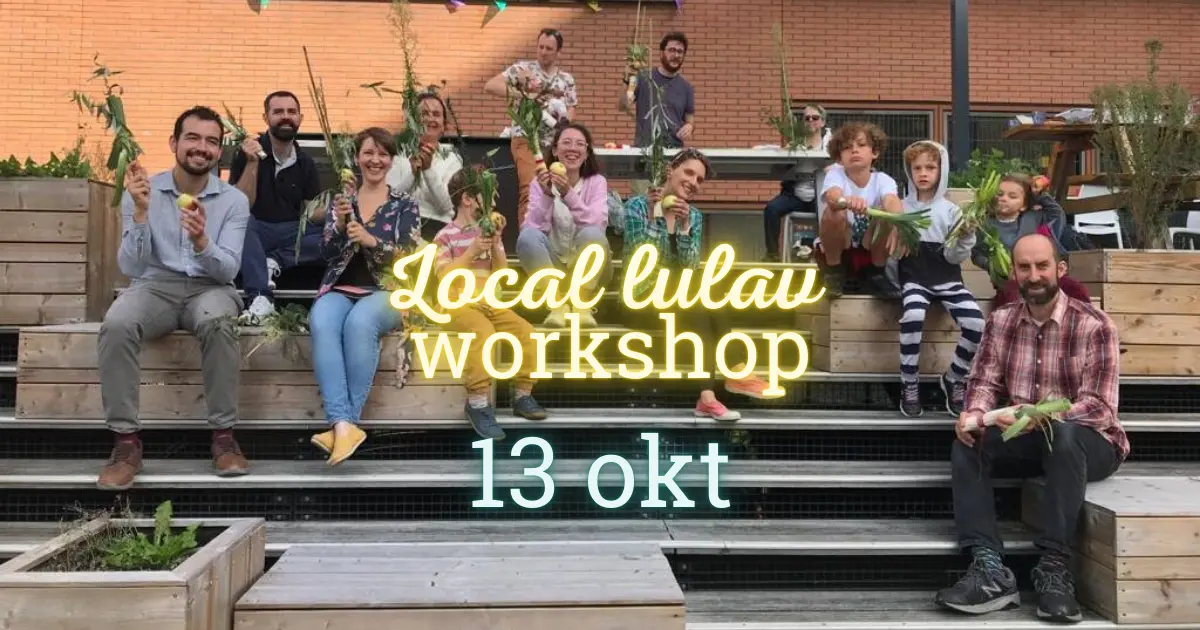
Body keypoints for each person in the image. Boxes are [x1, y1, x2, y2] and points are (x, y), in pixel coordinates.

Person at [936, 233, 1127, 625]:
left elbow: (1100, 408)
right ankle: (989, 569)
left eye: (1042, 266)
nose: (1034, 275)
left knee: (1067, 436)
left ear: (1060, 269)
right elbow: (985, 383)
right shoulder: (1001, 321)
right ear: (1015, 274)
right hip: (1026, 436)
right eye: (1024, 267)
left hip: (1090, 441)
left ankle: (1054, 569)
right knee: (968, 442)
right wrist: (974, 414)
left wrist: (1038, 416)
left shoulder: (1095, 325)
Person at [97, 106, 251, 490]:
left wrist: (202, 242)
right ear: (174, 143)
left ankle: (223, 436)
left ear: (219, 152)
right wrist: (140, 215)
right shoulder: (144, 191)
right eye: (193, 138)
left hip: (210, 288)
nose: (202, 148)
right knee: (116, 324)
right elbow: (131, 265)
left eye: (212, 142)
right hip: (155, 286)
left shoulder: (233, 201)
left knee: (218, 321)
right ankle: (126, 443)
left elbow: (228, 270)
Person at [622, 149, 777, 421]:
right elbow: (641, 259)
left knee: (701, 295)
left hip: (681, 303)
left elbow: (689, 265)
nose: (694, 182)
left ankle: (709, 395)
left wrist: (682, 227)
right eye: (689, 173)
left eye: (700, 179)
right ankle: (736, 370)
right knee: (699, 296)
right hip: (641, 299)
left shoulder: (693, 216)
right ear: (671, 170)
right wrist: (655, 214)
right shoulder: (637, 205)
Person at [307, 128, 421, 466]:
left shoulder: (405, 205)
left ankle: (343, 423)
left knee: (360, 323)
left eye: (383, 154)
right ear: (357, 158)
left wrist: (372, 242)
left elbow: (410, 256)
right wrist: (340, 228)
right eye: (369, 153)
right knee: (321, 320)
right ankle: (344, 426)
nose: (375, 160)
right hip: (340, 287)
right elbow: (325, 252)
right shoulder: (342, 202)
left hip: (388, 290)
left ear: (391, 160)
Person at [436, 167, 548, 440]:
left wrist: (496, 244)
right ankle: (477, 402)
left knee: (527, 333)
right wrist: (473, 250)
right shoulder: (445, 236)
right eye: (488, 198)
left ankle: (522, 395)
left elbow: (499, 273)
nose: (494, 204)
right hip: (456, 304)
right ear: (467, 199)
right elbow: (444, 275)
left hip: (487, 303)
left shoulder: (485, 233)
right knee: (484, 334)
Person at [895, 141, 985, 418]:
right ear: (909, 171)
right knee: (912, 315)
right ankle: (909, 382)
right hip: (914, 278)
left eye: (930, 167)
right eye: (917, 168)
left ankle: (954, 377)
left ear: (941, 170)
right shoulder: (900, 207)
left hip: (947, 278)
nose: (923, 173)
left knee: (976, 322)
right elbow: (894, 250)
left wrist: (966, 235)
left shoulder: (951, 210)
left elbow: (954, 257)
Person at [229, 90, 323, 324]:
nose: (285, 117)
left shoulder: (305, 162)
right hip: (255, 232)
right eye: (278, 111)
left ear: (300, 118)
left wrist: (339, 208)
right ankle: (261, 296)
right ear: (266, 117)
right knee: (241, 221)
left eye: (291, 112)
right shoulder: (247, 152)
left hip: (290, 235)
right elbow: (241, 205)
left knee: (339, 233)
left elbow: (312, 212)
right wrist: (252, 163)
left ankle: (276, 261)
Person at [517, 122, 612, 328]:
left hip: (592, 269)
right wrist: (547, 194)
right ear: (555, 151)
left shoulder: (596, 182)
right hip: (554, 266)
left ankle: (582, 304)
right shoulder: (538, 184)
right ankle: (556, 305)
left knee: (592, 235)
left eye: (580, 144)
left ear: (586, 153)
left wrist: (568, 194)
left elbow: (597, 225)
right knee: (527, 237)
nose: (573, 149)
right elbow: (531, 228)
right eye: (566, 143)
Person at [484, 27, 578, 226]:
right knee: (530, 186)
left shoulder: (567, 79)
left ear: (558, 52)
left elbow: (571, 109)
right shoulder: (522, 69)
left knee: (556, 188)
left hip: (554, 142)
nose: (543, 51)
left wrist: (565, 126)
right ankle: (528, 239)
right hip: (526, 137)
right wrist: (523, 95)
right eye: (540, 47)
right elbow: (491, 86)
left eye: (549, 48)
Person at [816, 122, 905, 298]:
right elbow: (832, 196)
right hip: (842, 245)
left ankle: (877, 274)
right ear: (840, 158)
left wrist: (897, 220)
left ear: (875, 152)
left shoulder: (883, 180)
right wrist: (846, 201)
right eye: (847, 147)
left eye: (861, 145)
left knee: (886, 215)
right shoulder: (835, 175)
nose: (854, 150)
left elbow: (892, 201)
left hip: (869, 246)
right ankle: (834, 273)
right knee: (834, 211)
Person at [974, 173, 1090, 308]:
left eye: (1012, 196)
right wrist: (994, 266)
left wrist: (1038, 194)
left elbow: (1056, 213)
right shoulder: (985, 225)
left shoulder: (1032, 218)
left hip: (1043, 278)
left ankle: (1087, 321)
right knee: (1011, 298)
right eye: (999, 194)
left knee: (1075, 288)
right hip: (1010, 281)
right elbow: (976, 254)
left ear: (1023, 205)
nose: (1003, 199)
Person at [386, 91, 464, 243]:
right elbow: (390, 202)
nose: (430, 118)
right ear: (412, 121)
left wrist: (428, 170)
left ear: (444, 125)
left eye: (436, 114)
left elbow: (446, 207)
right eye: (424, 113)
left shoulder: (452, 159)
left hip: (438, 230)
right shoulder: (397, 155)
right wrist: (412, 174)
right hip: (400, 226)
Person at [762, 104, 831, 261]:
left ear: (822, 122)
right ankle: (772, 254)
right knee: (771, 209)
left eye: (815, 118)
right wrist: (784, 156)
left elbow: (842, 165)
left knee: (836, 214)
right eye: (806, 118)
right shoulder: (795, 145)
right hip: (795, 196)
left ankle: (830, 255)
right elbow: (778, 169)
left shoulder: (831, 145)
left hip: (820, 198)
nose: (811, 121)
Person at [620, 31, 695, 150]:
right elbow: (624, 105)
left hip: (673, 151)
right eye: (671, 50)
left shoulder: (686, 87)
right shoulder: (642, 78)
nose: (676, 55)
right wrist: (627, 80)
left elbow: (690, 121)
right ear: (661, 53)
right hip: (644, 150)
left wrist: (689, 127)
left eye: (680, 51)